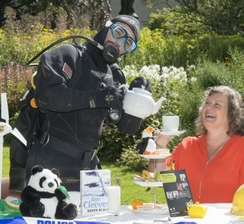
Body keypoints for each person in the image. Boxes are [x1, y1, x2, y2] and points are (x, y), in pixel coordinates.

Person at [9, 15, 148, 192]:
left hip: (89, 170)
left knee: (95, 220)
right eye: (118, 32)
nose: (120, 42)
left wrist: (139, 100)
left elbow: (125, 127)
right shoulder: (70, 55)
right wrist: (98, 98)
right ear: (105, 28)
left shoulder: (113, 76)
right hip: (50, 168)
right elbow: (48, 97)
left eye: (128, 44)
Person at [153, 86, 244, 203]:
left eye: (217, 105)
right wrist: (160, 146)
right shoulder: (187, 145)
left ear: (231, 115)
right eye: (207, 103)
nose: (209, 108)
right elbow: (159, 178)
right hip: (188, 219)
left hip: (228, 220)